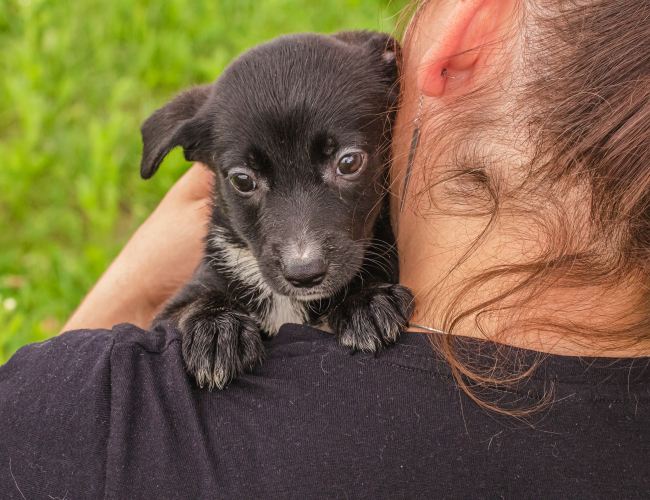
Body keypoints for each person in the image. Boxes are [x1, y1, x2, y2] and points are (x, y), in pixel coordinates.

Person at [1, 0, 649, 497]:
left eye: (345, 163)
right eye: (248, 182)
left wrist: (130, 289)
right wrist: (196, 310)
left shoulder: (91, 418)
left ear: (466, 33)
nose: (303, 252)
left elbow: (36, 436)